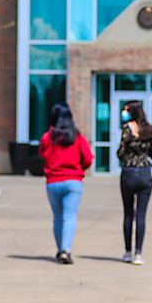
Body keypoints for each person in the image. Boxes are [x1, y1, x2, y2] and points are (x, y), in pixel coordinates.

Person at [37, 102, 93, 264]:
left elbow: (42, 154)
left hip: (53, 181)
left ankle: (59, 249)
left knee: (57, 218)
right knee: (70, 217)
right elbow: (88, 159)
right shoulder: (78, 137)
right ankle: (65, 250)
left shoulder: (47, 137)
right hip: (73, 181)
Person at [116, 100, 152, 266]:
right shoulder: (149, 129)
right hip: (144, 174)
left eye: (126, 110)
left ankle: (127, 251)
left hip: (128, 173)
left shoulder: (127, 128)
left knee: (128, 214)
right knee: (141, 215)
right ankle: (138, 254)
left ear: (132, 112)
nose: (124, 113)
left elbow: (121, 152)